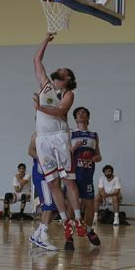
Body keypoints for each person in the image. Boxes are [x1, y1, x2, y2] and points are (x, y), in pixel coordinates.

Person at [32, 33, 87, 241]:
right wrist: (45, 39)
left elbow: (59, 111)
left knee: (68, 180)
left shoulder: (68, 94)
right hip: (43, 138)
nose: (59, 68)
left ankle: (79, 220)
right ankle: (65, 221)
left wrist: (39, 107)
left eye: (63, 70)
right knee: (53, 183)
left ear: (68, 79)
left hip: (59, 136)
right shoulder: (45, 84)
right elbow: (36, 60)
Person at [67, 107, 101, 250]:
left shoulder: (94, 135)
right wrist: (75, 147)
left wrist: (96, 157)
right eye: (78, 113)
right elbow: (66, 153)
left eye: (84, 113)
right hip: (73, 174)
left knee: (90, 205)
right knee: (70, 206)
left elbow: (99, 155)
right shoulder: (71, 133)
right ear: (75, 119)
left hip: (87, 174)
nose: (81, 114)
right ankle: (69, 236)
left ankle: (88, 229)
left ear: (88, 117)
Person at [28, 132, 58, 251]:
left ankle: (36, 235)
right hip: (41, 175)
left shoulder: (55, 134)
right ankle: (43, 238)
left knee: (53, 208)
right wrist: (43, 157)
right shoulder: (36, 135)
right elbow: (30, 151)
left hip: (52, 174)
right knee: (49, 205)